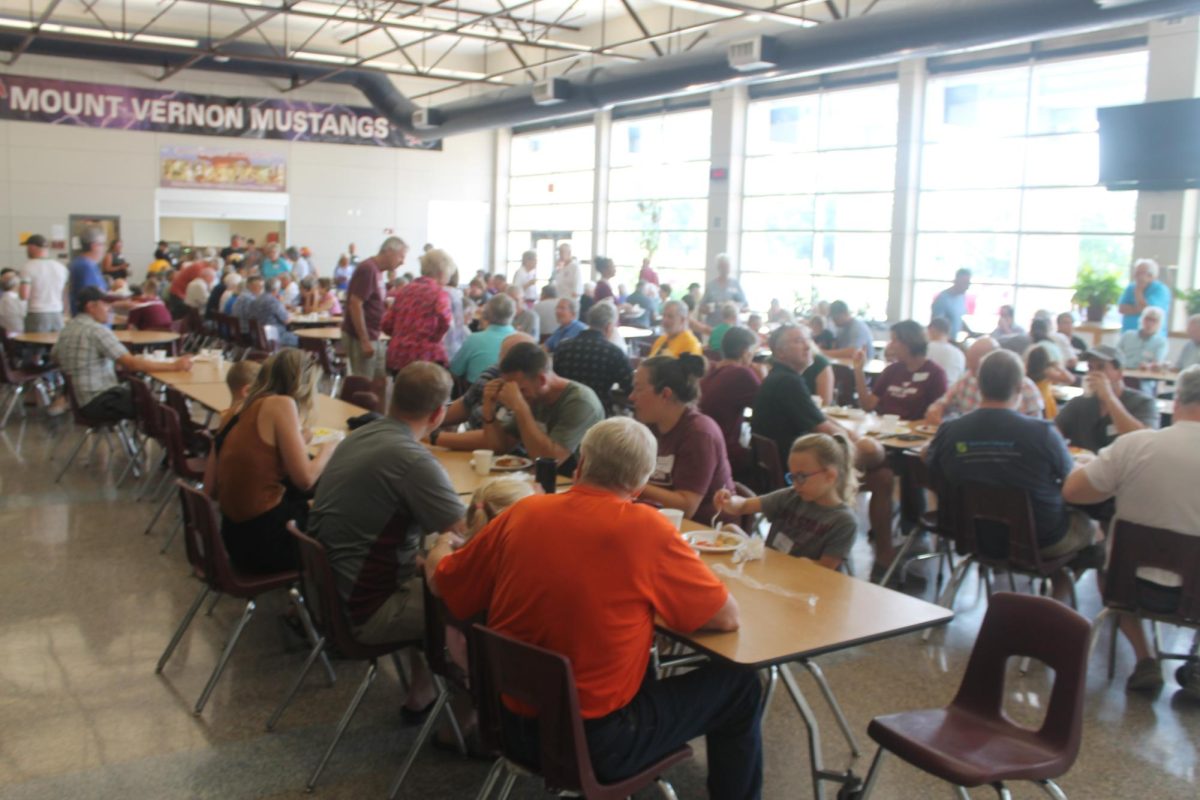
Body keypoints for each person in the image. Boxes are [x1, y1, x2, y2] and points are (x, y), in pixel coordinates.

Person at [426, 417, 761, 798]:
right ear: (639, 484)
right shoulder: (648, 530)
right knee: (742, 686)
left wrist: (439, 547)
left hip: (507, 725)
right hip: (596, 744)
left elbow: (444, 583)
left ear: (582, 463)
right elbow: (727, 618)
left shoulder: (523, 513)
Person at [309, 362, 465, 714]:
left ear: (393, 397)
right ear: (439, 413)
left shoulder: (360, 435)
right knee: (477, 605)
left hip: (329, 593)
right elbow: (463, 532)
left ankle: (421, 693)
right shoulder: (411, 459)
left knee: (424, 569)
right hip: (367, 610)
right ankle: (471, 722)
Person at [1062, 365, 1200, 695]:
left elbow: (1073, 492)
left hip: (1130, 585)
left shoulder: (1134, 446)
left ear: (1177, 400)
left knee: (1113, 562)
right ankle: (1195, 662)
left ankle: (1144, 658)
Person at [927, 349, 1098, 601]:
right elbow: (1070, 479)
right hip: (1039, 538)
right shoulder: (1043, 433)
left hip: (970, 533)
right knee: (1093, 527)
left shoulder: (949, 431)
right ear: (1020, 387)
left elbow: (930, 465)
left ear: (978, 383)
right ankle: (1056, 603)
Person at [206, 348, 337, 574]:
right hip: (266, 543)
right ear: (302, 384)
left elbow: (210, 489)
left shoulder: (234, 411)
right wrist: (330, 448)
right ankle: (324, 597)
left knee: (310, 496)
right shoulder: (281, 404)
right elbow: (305, 478)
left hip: (233, 538)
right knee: (339, 503)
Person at [714, 433, 859, 571]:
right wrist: (729, 502)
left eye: (801, 477)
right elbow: (744, 505)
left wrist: (807, 564)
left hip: (804, 583)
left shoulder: (843, 521)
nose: (795, 484)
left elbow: (826, 569)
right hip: (771, 567)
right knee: (730, 529)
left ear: (830, 476)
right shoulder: (791, 496)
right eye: (793, 477)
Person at [751, 323, 882, 472]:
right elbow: (824, 429)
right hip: (797, 469)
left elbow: (816, 415)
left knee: (879, 473)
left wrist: (852, 435)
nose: (808, 346)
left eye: (808, 339)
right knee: (874, 452)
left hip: (783, 461)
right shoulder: (788, 382)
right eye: (799, 341)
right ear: (780, 353)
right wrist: (855, 440)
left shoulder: (779, 376)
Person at [52, 287, 192, 420]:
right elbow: (131, 364)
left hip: (78, 400)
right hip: (99, 401)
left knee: (143, 397)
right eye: (106, 305)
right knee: (157, 405)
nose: (109, 310)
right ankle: (185, 441)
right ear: (91, 306)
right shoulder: (96, 330)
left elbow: (56, 356)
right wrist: (174, 366)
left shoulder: (67, 328)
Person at [464, 342, 603, 475]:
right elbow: (500, 446)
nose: (517, 395)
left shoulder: (580, 402)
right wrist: (489, 408)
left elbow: (550, 460)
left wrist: (520, 407)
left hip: (576, 484)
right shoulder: (533, 397)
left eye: (521, 390)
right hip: (544, 479)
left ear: (542, 380)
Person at [1056, 345, 1159, 452]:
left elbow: (1143, 441)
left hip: (1122, 467)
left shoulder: (1143, 403)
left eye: (1101, 367)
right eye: (1090, 368)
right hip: (1084, 466)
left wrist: (1109, 397)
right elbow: (1055, 431)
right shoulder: (1080, 403)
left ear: (1119, 373)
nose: (1093, 374)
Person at [925, 336, 1045, 425]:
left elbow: (1034, 431)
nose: (971, 373)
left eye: (975, 368)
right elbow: (945, 401)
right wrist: (937, 408)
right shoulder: (968, 378)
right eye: (969, 365)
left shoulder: (1025, 387)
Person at [437, 332, 535, 436]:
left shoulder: (530, 393)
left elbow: (497, 441)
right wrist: (427, 419)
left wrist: (435, 438)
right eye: (505, 358)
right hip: (469, 443)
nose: (509, 365)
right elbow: (465, 404)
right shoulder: (493, 373)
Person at [699, 326, 761, 480]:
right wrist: (763, 377)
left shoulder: (712, 369)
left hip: (703, 445)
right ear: (746, 352)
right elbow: (766, 407)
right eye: (753, 352)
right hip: (725, 452)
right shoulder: (741, 373)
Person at [854, 320, 948, 421]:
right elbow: (868, 406)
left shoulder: (935, 374)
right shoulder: (891, 370)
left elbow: (937, 417)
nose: (891, 345)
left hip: (913, 434)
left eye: (894, 340)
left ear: (909, 343)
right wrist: (858, 370)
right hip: (884, 430)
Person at [551, 301, 632, 415]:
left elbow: (553, 381)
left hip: (564, 411)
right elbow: (630, 387)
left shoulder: (563, 347)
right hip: (599, 415)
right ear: (609, 327)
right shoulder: (613, 353)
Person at [344, 236, 407, 379]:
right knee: (364, 383)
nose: (403, 262)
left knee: (379, 380)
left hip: (374, 335)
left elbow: (369, 301)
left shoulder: (377, 271)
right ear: (389, 251)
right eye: (401, 257)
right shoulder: (368, 269)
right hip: (362, 337)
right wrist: (364, 341)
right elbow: (355, 304)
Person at [382, 248, 453, 372]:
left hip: (398, 356)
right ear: (442, 273)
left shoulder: (404, 290)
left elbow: (386, 324)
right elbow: (445, 323)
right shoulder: (439, 294)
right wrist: (433, 339)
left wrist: (401, 335)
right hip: (425, 359)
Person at [449, 294, 517, 383]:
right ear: (513, 314)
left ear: (486, 315)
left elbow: (455, 371)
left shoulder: (474, 339)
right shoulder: (524, 340)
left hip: (477, 393)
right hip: (512, 394)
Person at [20, 234, 68, 333]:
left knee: (35, 347)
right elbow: (65, 294)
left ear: (32, 247)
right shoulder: (61, 267)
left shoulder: (28, 267)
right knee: (55, 347)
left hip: (37, 314)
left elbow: (24, 295)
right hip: (58, 314)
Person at [1118, 258, 1171, 336]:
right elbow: (1122, 309)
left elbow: (1147, 311)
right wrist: (1139, 309)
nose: (1136, 276)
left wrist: (1138, 291)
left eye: (1140, 273)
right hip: (1128, 335)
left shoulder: (1161, 290)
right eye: (1136, 272)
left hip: (1152, 338)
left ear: (1152, 275)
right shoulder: (1131, 287)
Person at [68, 226, 107, 316]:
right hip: (92, 323)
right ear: (94, 246)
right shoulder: (85, 267)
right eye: (103, 244)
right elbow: (91, 300)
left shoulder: (89, 265)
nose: (104, 249)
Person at [1116, 306, 1168, 373]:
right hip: (1124, 371)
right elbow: (1116, 355)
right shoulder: (1128, 335)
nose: (1149, 323)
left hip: (1145, 376)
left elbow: (1158, 362)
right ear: (1142, 319)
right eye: (1147, 319)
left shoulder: (1161, 342)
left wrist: (1148, 366)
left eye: (1154, 321)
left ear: (1159, 324)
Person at [699, 255, 747, 327]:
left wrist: (735, 307)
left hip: (732, 327)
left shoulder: (735, 284)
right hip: (713, 326)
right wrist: (708, 309)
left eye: (727, 266)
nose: (725, 269)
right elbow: (701, 307)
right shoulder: (711, 286)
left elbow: (745, 306)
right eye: (722, 266)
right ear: (718, 267)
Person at [249, 277, 298, 347]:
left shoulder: (256, 300)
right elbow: (286, 320)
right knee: (301, 338)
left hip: (258, 336)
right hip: (274, 336)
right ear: (276, 289)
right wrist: (289, 314)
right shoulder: (273, 301)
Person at [930, 268, 973, 337]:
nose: (967, 286)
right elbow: (936, 326)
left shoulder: (961, 297)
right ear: (956, 281)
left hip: (954, 340)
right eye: (964, 283)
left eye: (968, 283)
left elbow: (958, 319)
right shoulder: (942, 299)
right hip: (944, 342)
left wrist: (972, 333)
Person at [926, 317, 966, 384]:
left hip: (929, 392)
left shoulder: (924, 350)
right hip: (952, 391)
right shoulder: (959, 354)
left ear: (931, 330)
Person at [1025, 345, 1061, 420]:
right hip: (1049, 413)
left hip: (1037, 413)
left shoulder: (1026, 379)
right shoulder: (1048, 373)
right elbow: (1063, 376)